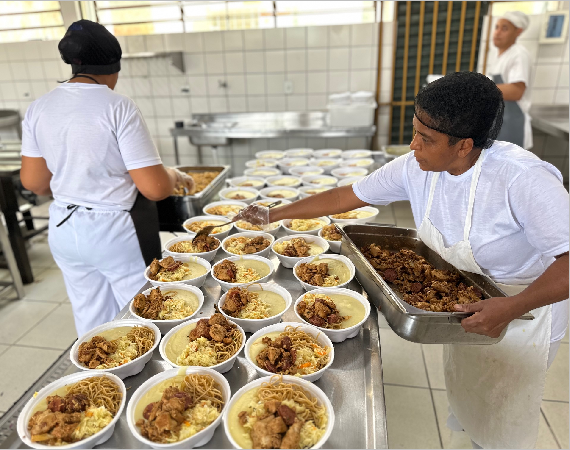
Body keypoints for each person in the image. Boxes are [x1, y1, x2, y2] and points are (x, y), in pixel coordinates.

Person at [235, 72, 569, 448]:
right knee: (469, 389)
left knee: (505, 408)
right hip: (468, 304)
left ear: (464, 146)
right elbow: (349, 196)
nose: (413, 146)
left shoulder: (522, 179)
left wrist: (511, 307)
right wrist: (272, 214)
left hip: (527, 307)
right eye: (414, 132)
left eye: (425, 139)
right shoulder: (417, 167)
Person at [20, 20, 194, 336]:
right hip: (115, 232)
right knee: (143, 314)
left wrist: (76, 177)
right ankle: (139, 380)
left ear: (73, 64)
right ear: (113, 67)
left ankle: (97, 378)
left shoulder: (38, 108)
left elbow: (35, 183)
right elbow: (154, 188)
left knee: (91, 318)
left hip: (64, 228)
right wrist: (173, 175)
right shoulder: (117, 106)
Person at [489, 10, 533, 149]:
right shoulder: (503, 55)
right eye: (497, 27)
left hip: (514, 124)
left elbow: (516, 91)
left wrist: (480, 87)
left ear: (518, 31)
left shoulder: (518, 54)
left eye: (505, 28)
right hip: (503, 122)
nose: (498, 32)